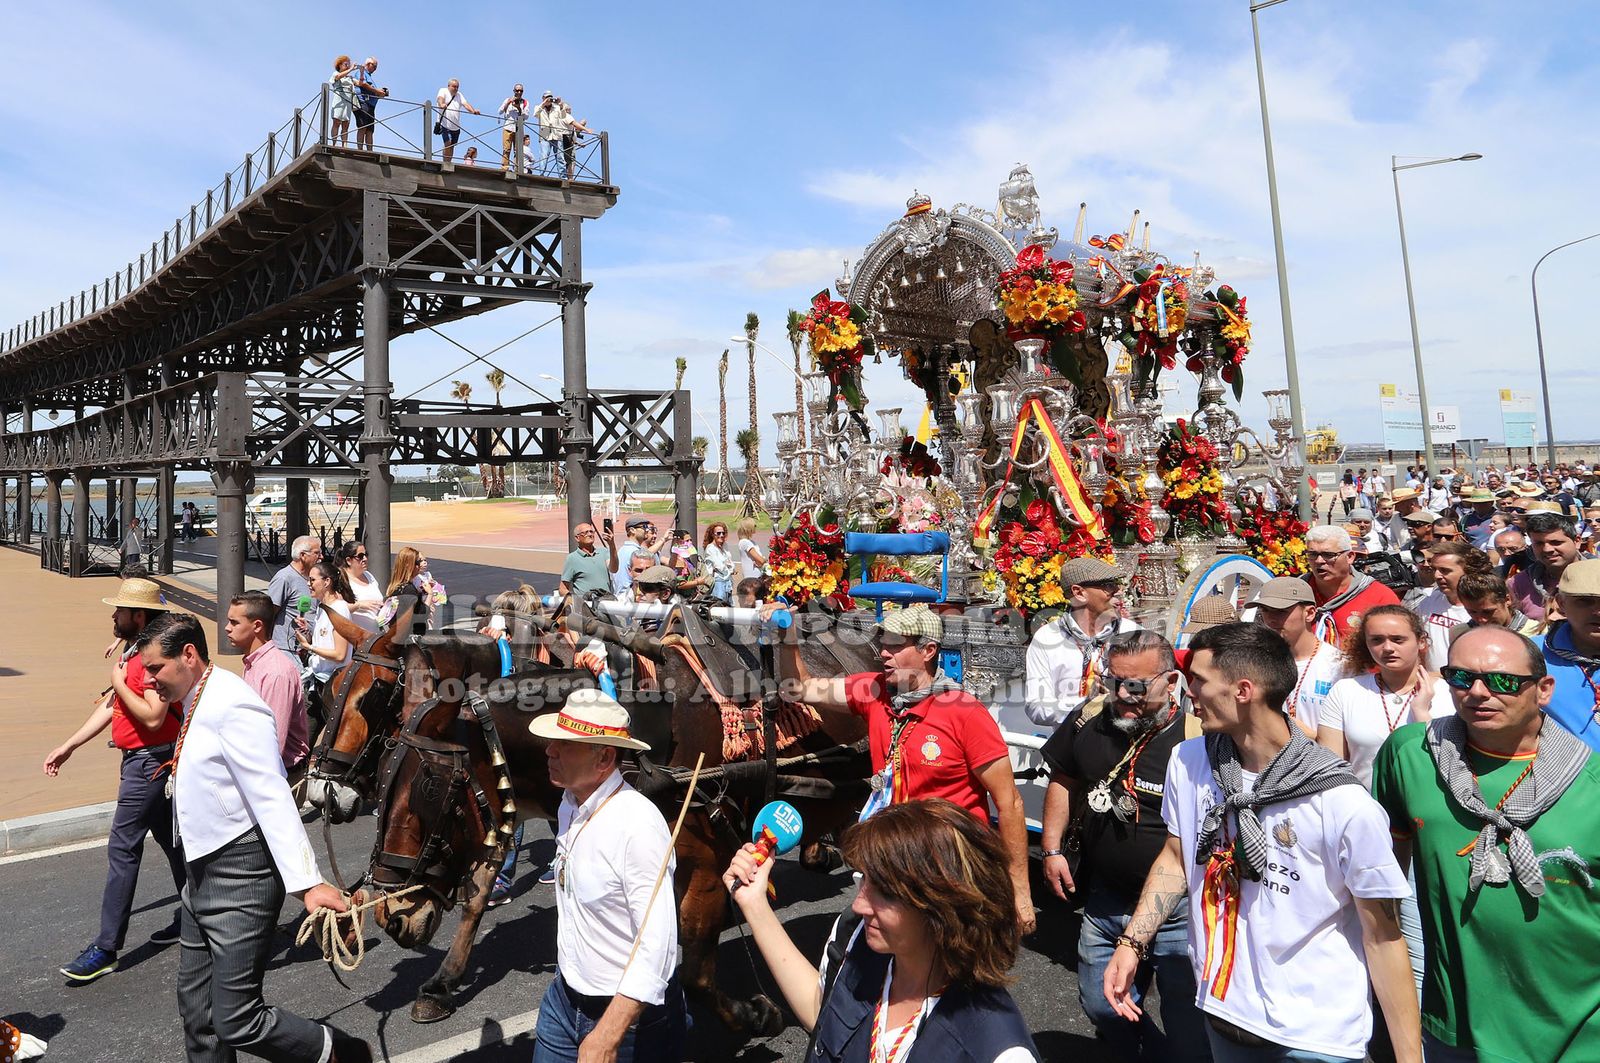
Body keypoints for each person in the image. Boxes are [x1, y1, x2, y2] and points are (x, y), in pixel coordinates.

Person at [1106, 623, 1421, 1063]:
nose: (1187, 691)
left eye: (1198, 679)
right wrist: (1132, 942)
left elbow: (1384, 938)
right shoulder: (1190, 760)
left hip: (1315, 1037)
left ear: (1243, 690)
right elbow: (1177, 858)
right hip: (1223, 1012)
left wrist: (1410, 1058)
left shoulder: (1342, 802)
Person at [138, 613, 369, 1063]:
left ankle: (340, 1053)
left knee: (237, 1018)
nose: (149, 682)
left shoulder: (232, 704)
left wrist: (307, 882)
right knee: (198, 1011)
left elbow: (270, 793)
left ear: (188, 656)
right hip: (200, 874)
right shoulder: (195, 697)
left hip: (241, 874)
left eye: (155, 669)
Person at [1373, 625, 1600, 1063]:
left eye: (1501, 681)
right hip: (1455, 1032)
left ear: (1544, 689)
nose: (1477, 693)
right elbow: (1380, 896)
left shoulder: (1592, 784)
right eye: (1460, 678)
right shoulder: (1410, 755)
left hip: (1581, 1035)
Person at [774, 603, 1035, 931]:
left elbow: (1009, 802)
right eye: (883, 643)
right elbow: (798, 687)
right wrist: (787, 635)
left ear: (928, 650)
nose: (883, 653)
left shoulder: (965, 713)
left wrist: (1020, 892)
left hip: (950, 867)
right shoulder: (875, 691)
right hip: (893, 857)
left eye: (896, 645)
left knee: (949, 967)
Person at [723, 799, 1039, 1063]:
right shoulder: (856, 937)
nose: (859, 906)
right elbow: (823, 1015)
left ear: (945, 909)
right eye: (864, 881)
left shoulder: (997, 1050)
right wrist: (754, 905)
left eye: (885, 892)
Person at [1039, 631, 1209, 1062]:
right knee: (1102, 1005)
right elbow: (1064, 777)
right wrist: (1053, 847)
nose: (1122, 695)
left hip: (1179, 912)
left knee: (1188, 1027)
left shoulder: (1198, 740)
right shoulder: (1091, 718)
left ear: (1171, 682)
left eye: (1136, 685)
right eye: (1112, 681)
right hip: (1107, 901)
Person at [528, 687, 686, 1063]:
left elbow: (658, 946)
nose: (550, 751)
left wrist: (609, 1033)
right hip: (563, 1000)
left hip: (630, 1019)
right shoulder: (569, 803)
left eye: (565, 745)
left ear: (604, 759)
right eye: (554, 741)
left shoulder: (638, 826)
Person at [45, 577, 184, 983]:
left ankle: (106, 947)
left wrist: (121, 678)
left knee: (123, 849)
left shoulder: (151, 658)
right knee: (175, 844)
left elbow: (154, 715)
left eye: (119, 610)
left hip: (148, 764)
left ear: (138, 616)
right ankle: (196, 917)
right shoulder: (138, 649)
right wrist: (70, 745)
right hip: (146, 761)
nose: (113, 615)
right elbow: (113, 704)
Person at [1024, 556, 1140, 726]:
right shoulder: (1048, 638)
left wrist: (1122, 695)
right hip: (1072, 746)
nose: (1119, 591)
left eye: (1117, 584)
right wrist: (1083, 703)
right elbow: (1036, 708)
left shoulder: (1133, 633)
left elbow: (1156, 692)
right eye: (1109, 586)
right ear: (1079, 593)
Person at [1246, 576, 1345, 735]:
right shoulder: (1255, 663)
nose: (1270, 620)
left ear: (1310, 613)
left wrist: (1302, 732)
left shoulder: (1340, 666)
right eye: (1265, 610)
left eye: (1280, 612)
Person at [225, 590, 309, 774]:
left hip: (278, 774)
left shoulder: (276, 672)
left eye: (234, 622)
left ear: (257, 626)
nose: (227, 628)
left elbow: (272, 743)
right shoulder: (254, 662)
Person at [1538, 559, 1600, 751]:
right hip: (1564, 775)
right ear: (1561, 604)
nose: (1597, 611)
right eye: (1584, 601)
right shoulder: (1529, 654)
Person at [1304, 524, 1400, 645]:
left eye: (1328, 555)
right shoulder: (1294, 592)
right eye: (1312, 554)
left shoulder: (1379, 597)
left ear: (1350, 557)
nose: (1319, 561)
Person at [295, 561, 354, 737]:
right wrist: (309, 633)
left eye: (312, 580)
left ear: (326, 582)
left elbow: (340, 654)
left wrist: (309, 646)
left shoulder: (340, 610)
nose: (308, 584)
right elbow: (325, 643)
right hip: (317, 683)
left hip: (333, 687)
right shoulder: (322, 609)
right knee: (304, 738)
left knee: (337, 738)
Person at [1413, 542, 1492, 671]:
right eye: (1435, 570)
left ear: (1468, 571)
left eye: (1445, 571)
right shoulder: (1428, 602)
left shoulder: (1483, 611)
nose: (1437, 576)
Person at [1511, 512, 1585, 621]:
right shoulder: (1518, 583)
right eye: (1539, 543)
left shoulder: (1596, 575)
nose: (1547, 549)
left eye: (1556, 542)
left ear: (1577, 542)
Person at [266, 534, 320, 655]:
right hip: (287, 649)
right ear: (303, 555)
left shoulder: (313, 578)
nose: (321, 557)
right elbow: (269, 613)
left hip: (308, 648)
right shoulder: (284, 578)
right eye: (317, 553)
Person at [1452, 571, 1540, 638]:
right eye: (1472, 612)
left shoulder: (1536, 633)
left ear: (1507, 600)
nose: (1481, 620)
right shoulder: (1460, 634)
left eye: (1487, 612)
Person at [558, 521, 620, 598]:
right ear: (577, 538)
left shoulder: (603, 552)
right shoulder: (572, 558)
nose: (590, 534)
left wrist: (611, 544)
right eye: (586, 532)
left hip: (605, 603)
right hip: (586, 606)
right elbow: (563, 589)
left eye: (591, 531)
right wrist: (576, 602)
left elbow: (614, 569)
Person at [434, 78, 480, 164]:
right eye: (454, 86)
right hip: (445, 124)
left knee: (452, 146)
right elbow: (440, 98)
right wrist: (441, 104)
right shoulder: (443, 91)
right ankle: (445, 163)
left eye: (457, 87)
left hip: (455, 126)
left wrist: (473, 111)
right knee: (448, 144)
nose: (455, 89)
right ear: (449, 86)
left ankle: (448, 162)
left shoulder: (459, 95)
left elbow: (466, 104)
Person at [338, 540, 384, 627]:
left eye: (366, 555)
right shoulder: (341, 579)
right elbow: (336, 609)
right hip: (355, 637)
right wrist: (359, 605)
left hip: (375, 635)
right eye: (360, 556)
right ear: (348, 560)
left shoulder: (369, 575)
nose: (365, 559)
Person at [612, 516, 656, 595]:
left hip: (622, 597)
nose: (647, 530)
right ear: (632, 530)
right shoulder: (634, 552)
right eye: (644, 527)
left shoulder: (623, 550)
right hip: (630, 598)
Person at [352, 57, 388, 152]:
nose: (375, 68)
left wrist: (381, 93)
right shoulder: (361, 72)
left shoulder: (369, 76)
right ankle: (360, 150)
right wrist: (377, 91)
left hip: (371, 105)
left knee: (370, 130)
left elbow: (370, 88)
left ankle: (370, 152)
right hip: (364, 102)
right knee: (363, 127)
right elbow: (363, 84)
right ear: (368, 64)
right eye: (374, 66)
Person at [327, 55, 357, 147]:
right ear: (340, 65)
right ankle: (334, 143)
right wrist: (351, 69)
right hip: (339, 99)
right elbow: (338, 77)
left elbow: (360, 83)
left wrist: (362, 71)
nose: (348, 65)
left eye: (349, 64)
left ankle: (345, 145)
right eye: (346, 64)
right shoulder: (335, 73)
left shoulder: (350, 78)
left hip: (348, 101)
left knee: (346, 124)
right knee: (336, 121)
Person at [701, 522, 736, 602]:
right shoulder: (710, 548)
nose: (721, 535)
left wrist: (730, 568)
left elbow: (730, 561)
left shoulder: (724, 546)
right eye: (718, 533)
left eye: (723, 533)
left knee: (729, 605)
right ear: (713, 535)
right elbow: (719, 566)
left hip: (727, 580)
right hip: (718, 581)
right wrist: (730, 569)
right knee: (719, 604)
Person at [498, 84, 530, 170]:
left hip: (518, 128)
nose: (519, 92)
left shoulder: (525, 102)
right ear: (514, 91)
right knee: (506, 149)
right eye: (517, 90)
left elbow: (526, 116)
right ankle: (505, 167)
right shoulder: (508, 100)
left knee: (518, 150)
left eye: (521, 91)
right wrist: (509, 102)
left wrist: (519, 108)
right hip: (508, 127)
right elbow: (500, 111)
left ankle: (517, 169)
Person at [534, 90, 565, 173]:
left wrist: (561, 106)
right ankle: (541, 174)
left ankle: (563, 177)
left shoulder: (557, 107)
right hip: (545, 134)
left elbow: (563, 117)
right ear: (543, 98)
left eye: (550, 97)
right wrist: (544, 103)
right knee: (544, 156)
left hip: (557, 134)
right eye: (547, 97)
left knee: (560, 157)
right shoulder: (539, 107)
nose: (549, 99)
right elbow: (535, 114)